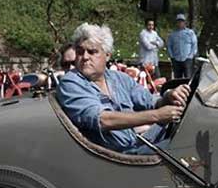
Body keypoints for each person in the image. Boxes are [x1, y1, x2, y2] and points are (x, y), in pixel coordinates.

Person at [57, 23, 190, 155]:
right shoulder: (71, 82)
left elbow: (151, 102)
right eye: (80, 52)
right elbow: (103, 120)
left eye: (92, 52)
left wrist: (170, 96)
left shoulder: (120, 78)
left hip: (136, 144)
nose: (85, 57)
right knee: (184, 148)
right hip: (112, 158)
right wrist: (158, 116)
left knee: (187, 133)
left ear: (107, 55)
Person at [166, 13, 198, 80]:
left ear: (184, 22)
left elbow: (194, 44)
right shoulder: (172, 34)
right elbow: (169, 45)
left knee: (188, 77)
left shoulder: (190, 33)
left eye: (182, 21)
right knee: (177, 78)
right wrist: (172, 56)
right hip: (176, 59)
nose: (180, 23)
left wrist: (191, 56)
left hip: (187, 58)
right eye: (178, 21)